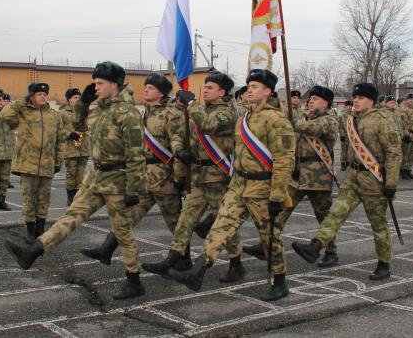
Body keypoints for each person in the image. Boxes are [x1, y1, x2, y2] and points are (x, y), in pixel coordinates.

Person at [5, 61, 147, 300]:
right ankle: (33, 251)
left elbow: (136, 153)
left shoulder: (128, 113)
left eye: (100, 83)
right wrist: (84, 102)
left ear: (115, 84)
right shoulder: (99, 108)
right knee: (71, 216)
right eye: (95, 83)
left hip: (119, 180)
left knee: (122, 232)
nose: (96, 87)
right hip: (96, 176)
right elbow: (78, 126)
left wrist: (134, 188)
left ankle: (134, 281)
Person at [168, 69, 295, 301]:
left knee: (270, 237)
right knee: (220, 227)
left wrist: (277, 195)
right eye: (248, 86)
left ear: (268, 91)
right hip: (238, 184)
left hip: (262, 188)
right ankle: (198, 271)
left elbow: (285, 160)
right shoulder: (244, 118)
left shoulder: (276, 120)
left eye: (255, 87)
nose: (249, 91)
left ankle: (280, 281)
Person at [292, 82, 401, 281]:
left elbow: (394, 153)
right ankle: (316, 246)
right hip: (352, 178)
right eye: (355, 97)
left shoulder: (383, 120)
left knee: (378, 224)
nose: (356, 101)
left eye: (361, 98)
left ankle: (384, 262)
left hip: (374, 181)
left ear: (371, 100)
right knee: (335, 214)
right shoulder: (351, 120)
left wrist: (391, 184)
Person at [142, 71, 240, 281]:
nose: (205, 89)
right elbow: (181, 133)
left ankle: (236, 262)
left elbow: (208, 125)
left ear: (222, 92)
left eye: (210, 87)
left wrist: (192, 104)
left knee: (223, 224)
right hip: (198, 177)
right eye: (204, 86)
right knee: (185, 221)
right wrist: (180, 150)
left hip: (217, 178)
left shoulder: (227, 113)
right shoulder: (200, 110)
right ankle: (172, 259)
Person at [80, 72, 185, 265]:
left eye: (151, 87)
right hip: (144, 178)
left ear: (161, 93)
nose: (145, 89)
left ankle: (183, 261)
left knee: (176, 223)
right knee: (128, 217)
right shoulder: (144, 112)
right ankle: (106, 250)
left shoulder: (172, 114)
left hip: (164, 179)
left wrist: (179, 179)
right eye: (145, 86)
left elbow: (177, 145)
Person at [246, 85, 339, 268]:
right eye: (310, 98)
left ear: (325, 103)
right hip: (297, 174)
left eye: (316, 99)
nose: (311, 101)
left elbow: (309, 127)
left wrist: (289, 120)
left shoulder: (330, 120)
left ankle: (331, 251)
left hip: (317, 176)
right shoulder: (302, 117)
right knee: (280, 211)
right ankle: (267, 246)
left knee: (323, 215)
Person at [1, 82, 65, 240]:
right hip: (28, 164)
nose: (43, 96)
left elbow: (60, 140)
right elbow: (4, 115)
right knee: (29, 199)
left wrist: (58, 161)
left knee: (44, 199)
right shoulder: (23, 112)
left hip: (47, 164)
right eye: (39, 94)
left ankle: (40, 229)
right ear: (31, 96)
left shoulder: (54, 116)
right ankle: (30, 231)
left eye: (45, 94)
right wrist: (23, 101)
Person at [60, 88, 90, 205]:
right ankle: (70, 197)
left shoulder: (84, 112)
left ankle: (78, 197)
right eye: (75, 98)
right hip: (71, 149)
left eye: (79, 97)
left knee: (81, 175)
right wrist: (69, 134)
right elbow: (58, 130)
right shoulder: (63, 114)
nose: (78, 100)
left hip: (83, 148)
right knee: (71, 174)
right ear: (69, 100)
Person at [338, 100, 353, 171]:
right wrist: (342, 135)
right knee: (344, 150)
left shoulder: (353, 115)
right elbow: (340, 126)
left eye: (351, 106)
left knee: (350, 150)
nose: (350, 107)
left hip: (351, 136)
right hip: (345, 135)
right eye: (349, 106)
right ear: (345, 106)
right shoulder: (342, 115)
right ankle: (343, 164)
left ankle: (348, 163)